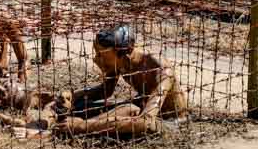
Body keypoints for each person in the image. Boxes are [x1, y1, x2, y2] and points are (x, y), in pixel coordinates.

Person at [56, 25, 187, 139]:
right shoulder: (120, 62)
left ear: (122, 52)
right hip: (143, 106)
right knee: (84, 106)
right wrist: (73, 96)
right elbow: (105, 91)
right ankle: (71, 124)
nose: (96, 60)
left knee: (128, 109)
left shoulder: (160, 69)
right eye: (96, 54)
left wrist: (83, 126)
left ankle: (74, 127)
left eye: (101, 55)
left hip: (169, 121)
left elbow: (146, 121)